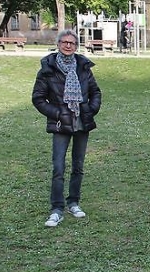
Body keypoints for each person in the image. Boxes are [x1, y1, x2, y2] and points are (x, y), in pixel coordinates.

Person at [32, 29, 102, 227]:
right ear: (58, 44)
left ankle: (74, 202)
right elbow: (38, 98)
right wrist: (57, 113)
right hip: (61, 123)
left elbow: (96, 91)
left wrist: (90, 109)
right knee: (58, 167)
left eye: (72, 42)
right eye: (64, 42)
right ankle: (56, 209)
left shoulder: (84, 67)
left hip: (82, 121)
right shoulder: (48, 68)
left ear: (76, 45)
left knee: (78, 167)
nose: (68, 45)